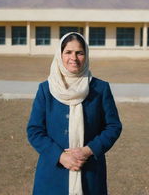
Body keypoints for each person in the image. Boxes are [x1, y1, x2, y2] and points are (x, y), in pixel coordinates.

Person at [27, 32, 122, 195]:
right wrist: (61, 156)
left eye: (79, 52)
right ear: (60, 55)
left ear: (86, 55)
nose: (74, 58)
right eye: (68, 52)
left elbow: (113, 126)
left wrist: (88, 150)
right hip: (53, 172)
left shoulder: (100, 88)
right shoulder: (46, 89)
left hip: (90, 172)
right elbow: (35, 130)